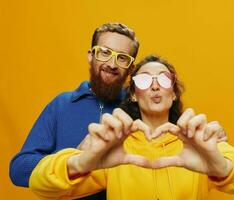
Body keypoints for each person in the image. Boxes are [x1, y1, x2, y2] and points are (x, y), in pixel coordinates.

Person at [28, 55, 234, 200]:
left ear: (173, 94)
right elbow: (41, 184)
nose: (154, 86)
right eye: (143, 80)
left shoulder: (197, 141)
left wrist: (222, 166)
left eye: (163, 79)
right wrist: (79, 162)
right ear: (132, 95)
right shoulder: (117, 147)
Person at [9, 22, 141, 200]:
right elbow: (18, 170)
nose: (112, 63)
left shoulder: (139, 111)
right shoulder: (61, 104)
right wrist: (73, 159)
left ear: (131, 68)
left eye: (122, 58)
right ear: (90, 55)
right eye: (105, 52)